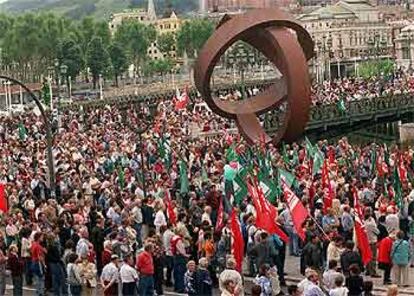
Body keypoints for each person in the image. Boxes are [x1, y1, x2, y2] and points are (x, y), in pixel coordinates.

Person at [30, 232, 46, 296]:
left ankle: (38, 293)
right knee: (41, 279)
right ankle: (40, 293)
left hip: (33, 262)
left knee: (37, 279)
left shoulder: (33, 244)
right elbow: (40, 257)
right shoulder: (38, 246)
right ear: (39, 238)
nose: (43, 238)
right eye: (42, 237)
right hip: (38, 263)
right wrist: (44, 265)